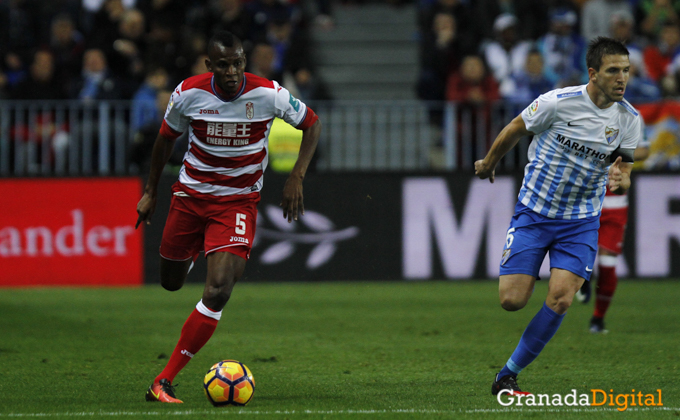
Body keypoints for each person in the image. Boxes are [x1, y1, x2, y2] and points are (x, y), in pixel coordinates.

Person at [135, 30, 321, 403]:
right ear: (210, 66)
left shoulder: (269, 93)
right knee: (170, 282)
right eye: (224, 65)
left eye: (237, 63)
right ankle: (192, 254)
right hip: (190, 197)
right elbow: (164, 140)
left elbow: (312, 123)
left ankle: (164, 380)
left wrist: (296, 175)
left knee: (218, 290)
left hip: (237, 203)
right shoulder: (188, 93)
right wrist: (152, 191)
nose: (233, 71)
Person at [474, 37, 642, 395]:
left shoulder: (629, 119)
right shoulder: (557, 102)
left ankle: (507, 375)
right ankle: (526, 268)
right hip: (534, 213)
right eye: (614, 70)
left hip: (581, 221)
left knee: (562, 297)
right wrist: (490, 162)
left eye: (626, 71)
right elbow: (516, 127)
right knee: (512, 301)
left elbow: (625, 171)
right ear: (593, 73)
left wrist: (621, 180)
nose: (622, 78)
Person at [575, 131, 650, 333]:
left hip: (614, 206)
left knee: (607, 264)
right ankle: (582, 277)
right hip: (584, 202)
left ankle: (598, 319)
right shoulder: (584, 114)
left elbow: (644, 151)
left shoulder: (631, 119)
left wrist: (619, 154)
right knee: (578, 255)